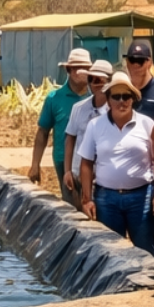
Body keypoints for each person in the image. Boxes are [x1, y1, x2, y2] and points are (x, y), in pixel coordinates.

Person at [78, 72, 154, 258]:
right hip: (106, 199)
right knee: (110, 253)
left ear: (133, 99)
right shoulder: (95, 125)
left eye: (126, 96)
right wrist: (87, 199)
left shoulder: (147, 124)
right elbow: (86, 163)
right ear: (108, 100)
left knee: (145, 251)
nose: (121, 101)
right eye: (116, 96)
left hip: (141, 198)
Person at [29, 48, 93, 206]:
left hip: (93, 162)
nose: (82, 72)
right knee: (72, 208)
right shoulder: (54, 99)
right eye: (77, 68)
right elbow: (42, 133)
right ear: (69, 70)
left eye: (86, 68)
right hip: (65, 163)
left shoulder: (96, 97)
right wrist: (35, 164)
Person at [64, 59, 114, 199]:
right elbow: (70, 139)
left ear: (108, 83)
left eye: (97, 80)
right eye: (90, 79)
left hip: (103, 180)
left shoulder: (114, 112)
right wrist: (67, 171)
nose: (93, 84)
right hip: (77, 176)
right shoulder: (78, 108)